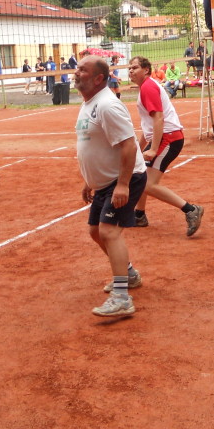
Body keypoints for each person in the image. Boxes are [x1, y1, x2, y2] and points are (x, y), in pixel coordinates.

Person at [74, 56, 147, 317]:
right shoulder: (89, 103)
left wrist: (123, 185)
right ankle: (129, 275)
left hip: (125, 178)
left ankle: (122, 298)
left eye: (82, 70)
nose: (76, 72)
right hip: (105, 182)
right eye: (77, 68)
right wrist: (89, 180)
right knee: (96, 231)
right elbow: (97, 145)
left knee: (109, 232)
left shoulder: (107, 105)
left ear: (98, 78)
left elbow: (128, 145)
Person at [127, 56, 204, 237]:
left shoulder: (148, 87)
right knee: (140, 175)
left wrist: (153, 149)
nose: (130, 71)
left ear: (146, 70)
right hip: (163, 137)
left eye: (135, 67)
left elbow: (158, 118)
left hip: (168, 138)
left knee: (147, 183)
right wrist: (140, 148)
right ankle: (139, 215)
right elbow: (149, 126)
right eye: (129, 68)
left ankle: (191, 209)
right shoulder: (146, 87)